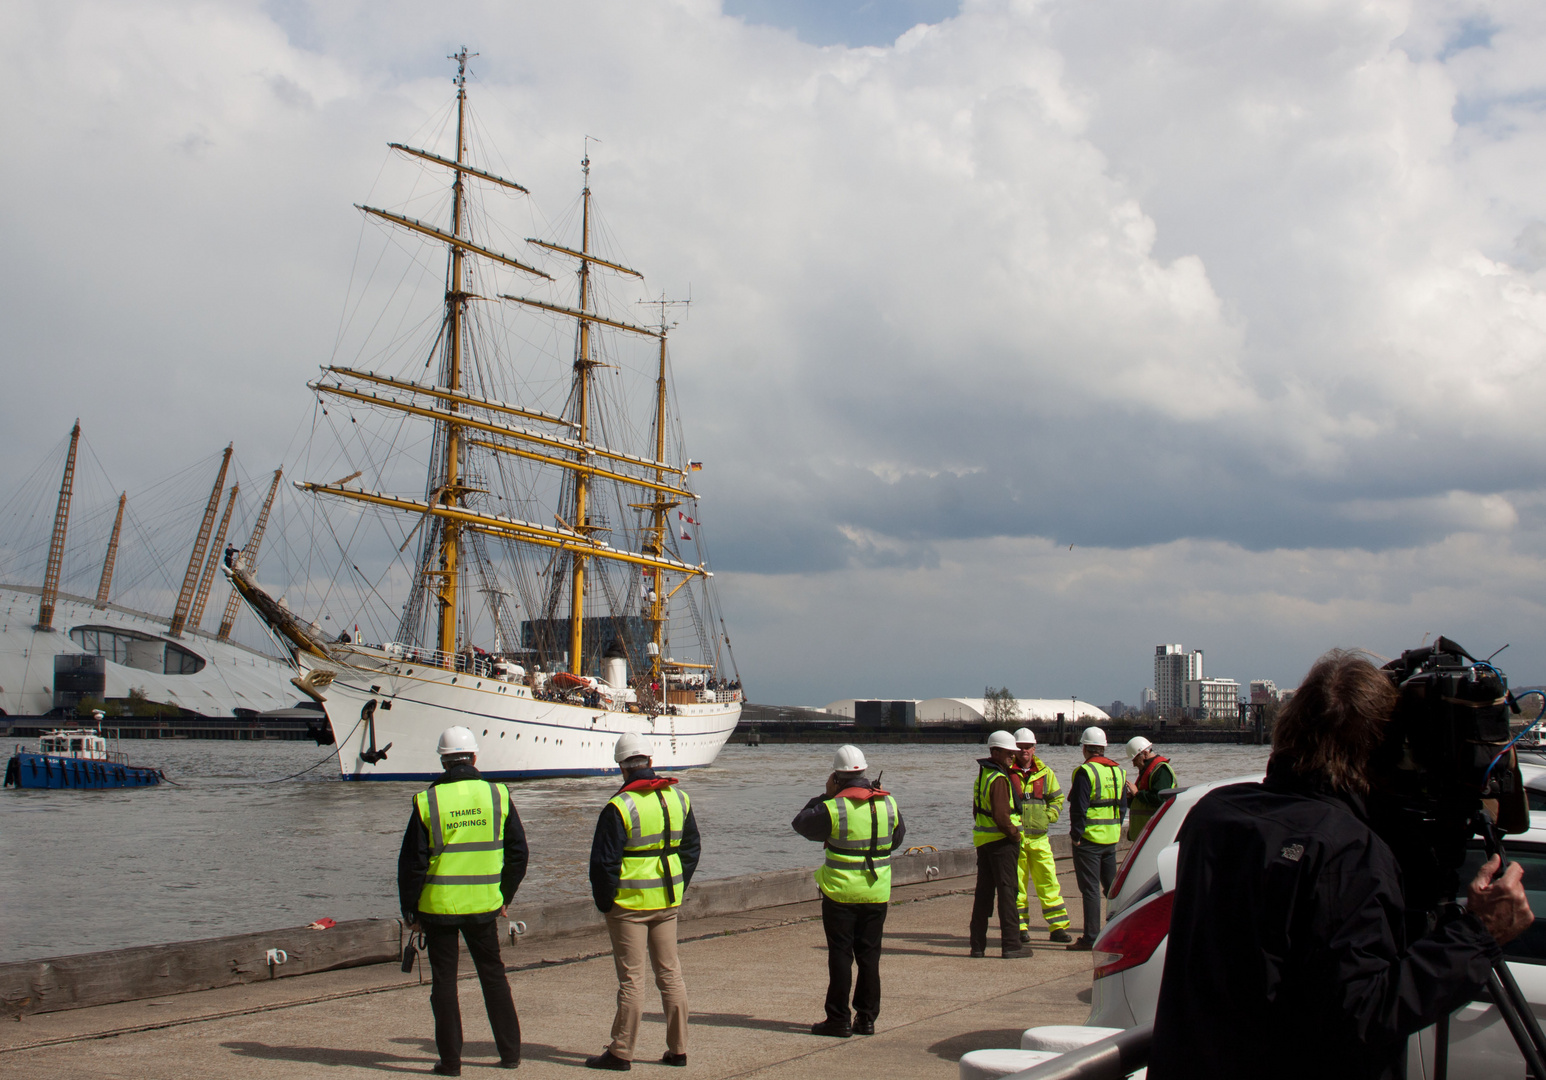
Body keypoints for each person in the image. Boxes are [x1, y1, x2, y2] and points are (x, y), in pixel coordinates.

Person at [1149, 649, 1535, 1080]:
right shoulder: (1345, 850)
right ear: (1382, 747)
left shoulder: (1214, 814)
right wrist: (1477, 935)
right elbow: (1363, 1014)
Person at [398, 726, 528, 1077]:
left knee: (445, 983)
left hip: (439, 908)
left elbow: (413, 863)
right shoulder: (498, 796)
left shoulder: (428, 801)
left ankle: (451, 1063)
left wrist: (410, 910)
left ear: (443, 760)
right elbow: (519, 853)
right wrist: (505, 895)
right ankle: (510, 1054)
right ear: (474, 758)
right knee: (494, 977)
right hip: (485, 905)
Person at [586, 732, 701, 1071]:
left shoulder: (619, 806)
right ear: (650, 762)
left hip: (629, 904)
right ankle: (678, 1049)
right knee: (670, 973)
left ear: (622, 767)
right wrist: (677, 884)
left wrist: (606, 902)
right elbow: (692, 849)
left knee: (632, 979)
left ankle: (622, 1051)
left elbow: (603, 863)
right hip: (667, 900)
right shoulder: (679, 798)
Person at [792, 744, 905, 1037]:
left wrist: (826, 795)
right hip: (877, 892)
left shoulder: (834, 807)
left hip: (840, 894)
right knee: (870, 957)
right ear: (865, 772)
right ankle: (866, 1019)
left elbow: (801, 824)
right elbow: (896, 840)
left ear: (837, 777)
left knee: (841, 956)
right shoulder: (888, 803)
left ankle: (838, 1019)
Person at [1065, 726, 1126, 951]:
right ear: (1103, 748)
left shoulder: (1085, 772)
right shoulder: (1118, 771)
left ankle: (1091, 937)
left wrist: (1076, 835)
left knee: (1090, 889)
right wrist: (1116, 828)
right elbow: (1122, 806)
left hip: (1089, 839)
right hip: (1111, 838)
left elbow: (1078, 808)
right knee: (1112, 888)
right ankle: (1119, 932)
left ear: (1085, 748)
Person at [969, 729, 1028, 958]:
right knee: (1008, 894)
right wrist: (1015, 835)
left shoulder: (983, 775)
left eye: (1013, 753)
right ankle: (1012, 945)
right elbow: (1002, 817)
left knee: (983, 895)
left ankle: (977, 946)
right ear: (995, 751)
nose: (1012, 756)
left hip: (984, 843)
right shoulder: (1000, 778)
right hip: (1002, 844)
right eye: (1008, 753)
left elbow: (977, 811)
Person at [1012, 728, 1072, 944]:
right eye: (1019, 747)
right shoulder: (1007, 773)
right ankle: (1020, 928)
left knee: (1048, 882)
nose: (1023, 751)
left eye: (1027, 747)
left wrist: (1048, 817)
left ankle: (1058, 928)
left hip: (1039, 838)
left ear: (1034, 748)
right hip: (1016, 839)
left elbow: (1057, 799)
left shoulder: (1045, 773)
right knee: (1017, 887)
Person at [1123, 736, 1176, 840]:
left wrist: (1137, 794)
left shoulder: (1161, 771)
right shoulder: (1148, 771)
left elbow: (1160, 799)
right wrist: (1132, 798)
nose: (1133, 764)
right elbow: (1145, 802)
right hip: (1145, 835)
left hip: (1155, 835)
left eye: (1135, 760)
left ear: (1145, 754)